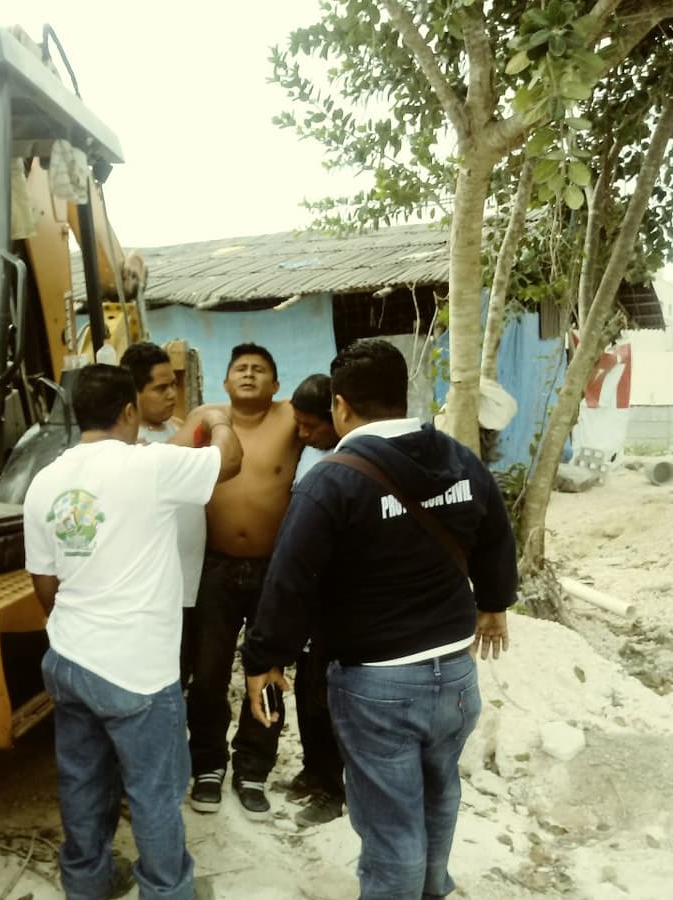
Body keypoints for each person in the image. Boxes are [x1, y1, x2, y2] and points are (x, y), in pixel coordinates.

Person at [241, 338, 518, 899]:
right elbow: (495, 532)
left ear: (341, 406)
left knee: (390, 825)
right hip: (456, 676)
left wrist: (265, 659)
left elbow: (290, 579)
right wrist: (494, 602)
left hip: (378, 686)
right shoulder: (458, 457)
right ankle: (431, 889)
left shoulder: (332, 479)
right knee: (439, 798)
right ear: (402, 395)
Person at [24, 364, 241, 900]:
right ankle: (166, 891)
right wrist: (217, 419)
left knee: (81, 783)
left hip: (69, 661)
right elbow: (229, 461)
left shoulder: (44, 481)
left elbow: (44, 585)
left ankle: (87, 882)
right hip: (137, 671)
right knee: (154, 793)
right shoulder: (150, 465)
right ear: (128, 412)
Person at [178, 342, 301, 820]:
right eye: (240, 369)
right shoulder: (209, 421)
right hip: (216, 566)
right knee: (207, 674)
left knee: (268, 671)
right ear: (226, 382)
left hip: (275, 569)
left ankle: (253, 767)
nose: (249, 374)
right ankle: (207, 764)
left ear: (275, 384)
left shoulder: (291, 418)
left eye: (260, 369)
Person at [121, 341, 203, 686]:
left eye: (173, 385)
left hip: (192, 582)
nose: (172, 394)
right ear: (133, 393)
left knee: (185, 674)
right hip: (153, 592)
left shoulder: (179, 428)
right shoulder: (126, 444)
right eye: (160, 387)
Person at [284, 373, 347, 827]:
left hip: (334, 605)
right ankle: (313, 768)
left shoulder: (350, 460)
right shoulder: (310, 454)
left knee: (328, 700)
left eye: (310, 426)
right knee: (307, 693)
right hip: (306, 597)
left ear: (336, 416)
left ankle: (334, 789)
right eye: (298, 425)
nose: (302, 434)